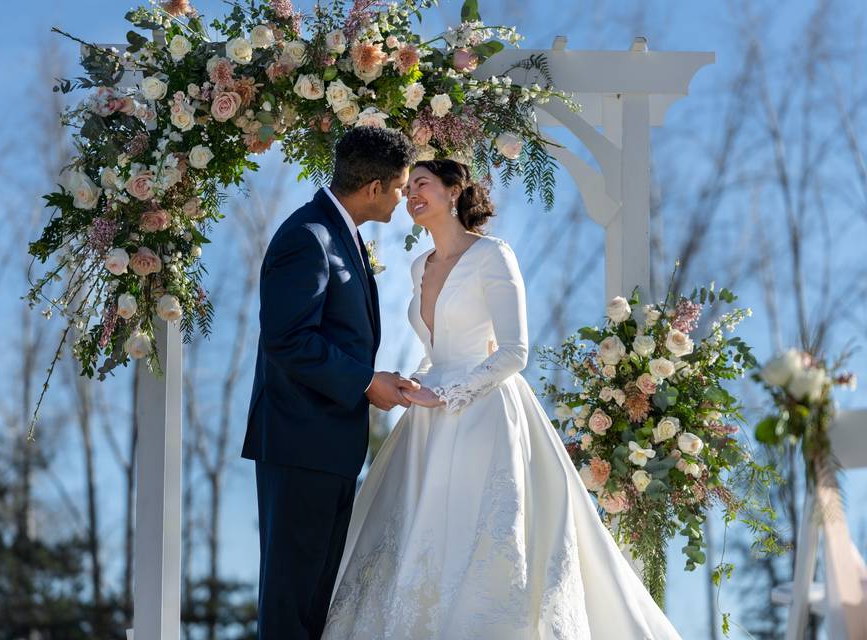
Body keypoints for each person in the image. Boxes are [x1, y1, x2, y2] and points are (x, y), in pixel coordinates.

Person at [323, 159, 682, 639]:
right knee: (415, 541)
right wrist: (415, 384)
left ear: (454, 192)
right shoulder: (418, 266)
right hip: (428, 420)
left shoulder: (493, 255)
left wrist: (448, 394)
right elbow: (437, 349)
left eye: (423, 185)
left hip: (484, 413)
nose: (412, 195)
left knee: (482, 537)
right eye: (407, 188)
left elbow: (514, 352)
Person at [242, 126, 419, 640]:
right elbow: (287, 339)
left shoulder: (339, 233)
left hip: (328, 449)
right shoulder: (308, 236)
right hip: (300, 446)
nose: (402, 199)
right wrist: (366, 383)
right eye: (401, 188)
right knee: (291, 604)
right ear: (373, 188)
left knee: (317, 605)